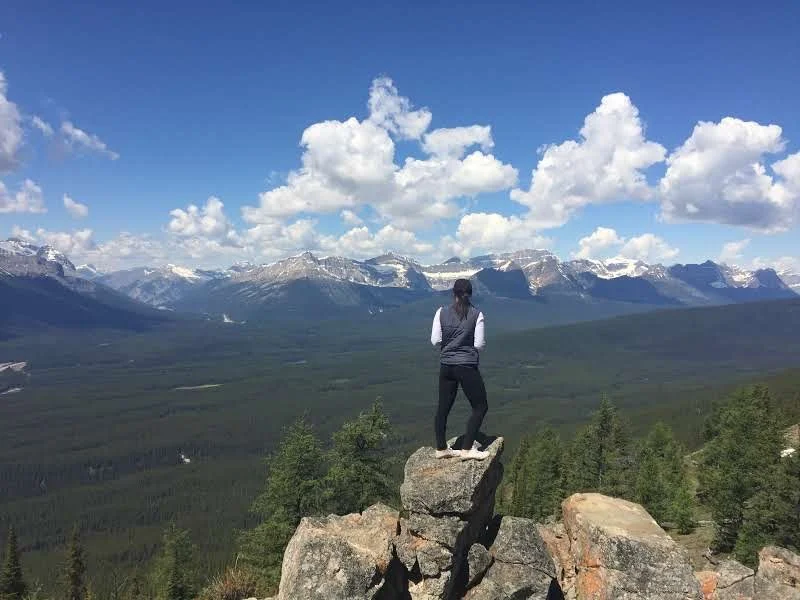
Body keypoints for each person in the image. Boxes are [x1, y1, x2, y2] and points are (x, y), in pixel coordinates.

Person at [430, 278, 490, 460]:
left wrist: (451, 344)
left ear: (453, 293)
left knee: (443, 408)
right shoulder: (476, 314)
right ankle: (466, 449)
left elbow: (435, 340)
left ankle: (441, 449)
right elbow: (479, 344)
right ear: (470, 294)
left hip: (446, 366)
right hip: (466, 366)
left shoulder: (441, 312)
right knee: (480, 406)